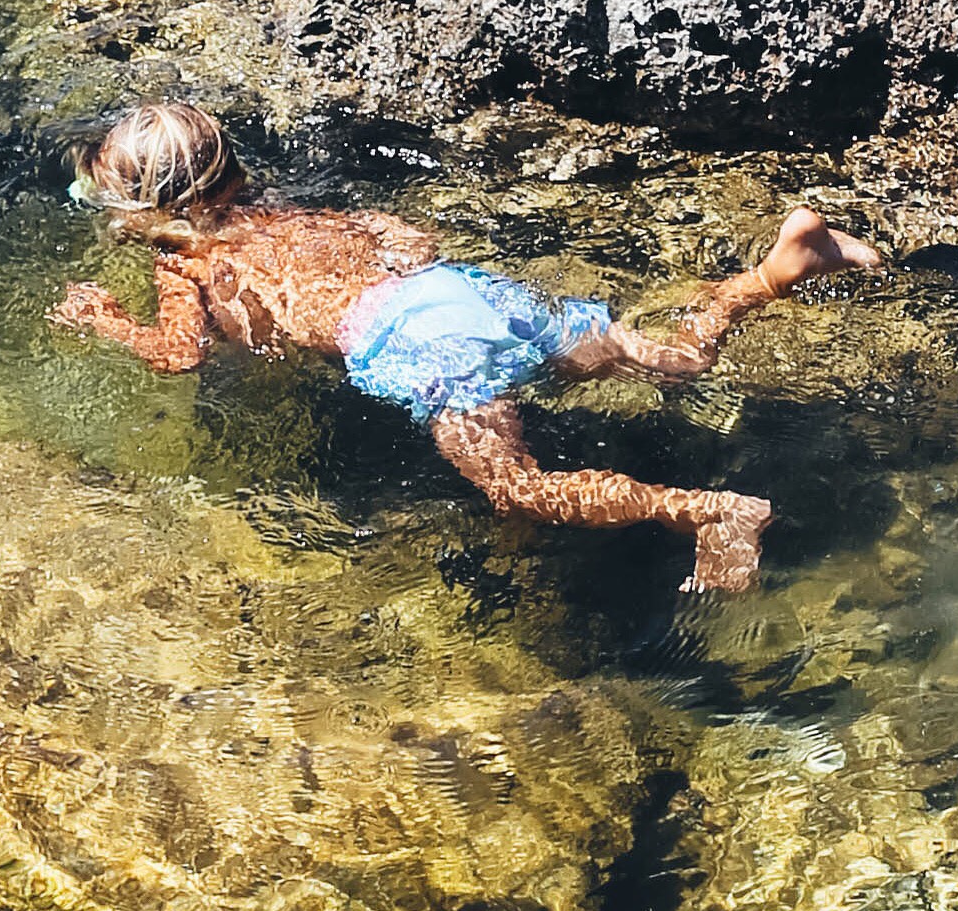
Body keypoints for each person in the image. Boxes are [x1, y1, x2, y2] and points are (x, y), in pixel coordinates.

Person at [53, 99, 879, 594]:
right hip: (465, 295)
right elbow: (405, 238)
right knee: (669, 359)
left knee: (517, 489)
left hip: (421, 344)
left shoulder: (182, 261)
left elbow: (181, 356)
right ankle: (774, 272)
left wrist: (106, 323)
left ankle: (714, 512)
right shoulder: (285, 210)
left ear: (144, 212)